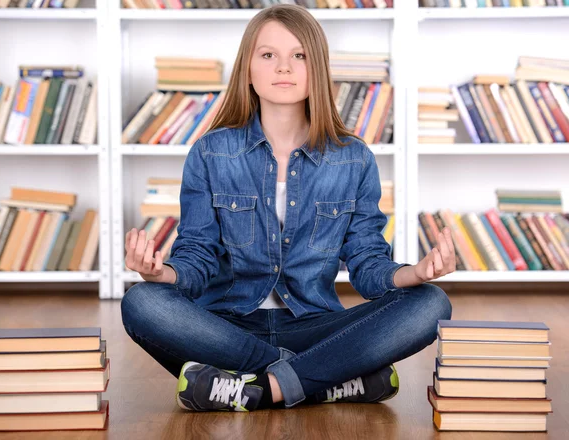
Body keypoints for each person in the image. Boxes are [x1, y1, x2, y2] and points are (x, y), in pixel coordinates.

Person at [121, 4, 454, 413]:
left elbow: (368, 266)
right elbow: (197, 255)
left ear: (318, 68)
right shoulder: (210, 152)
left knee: (431, 302)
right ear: (248, 69)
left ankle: (254, 389)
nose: (284, 67)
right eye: (268, 55)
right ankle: (326, 380)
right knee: (141, 302)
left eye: (299, 55)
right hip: (226, 327)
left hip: (315, 326)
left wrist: (415, 273)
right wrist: (160, 273)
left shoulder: (354, 159)